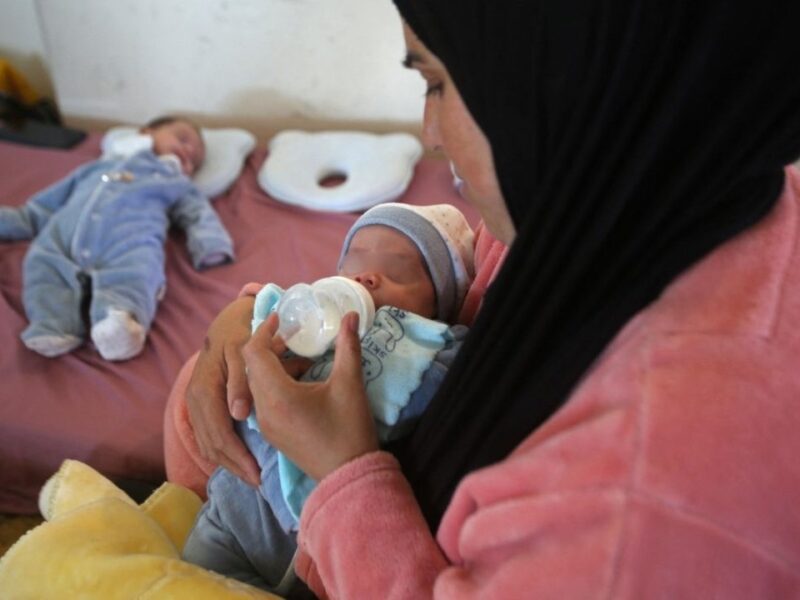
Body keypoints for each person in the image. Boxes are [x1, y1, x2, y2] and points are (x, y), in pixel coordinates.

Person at [180, 1, 800, 597]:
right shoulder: (609, 201)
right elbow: (450, 297)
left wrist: (341, 476)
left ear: (559, 80)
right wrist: (253, 312)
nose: (430, 133)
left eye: (439, 84)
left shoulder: (638, 520)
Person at [181, 202, 474, 597]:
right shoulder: (310, 322)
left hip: (323, 546)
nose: (367, 276)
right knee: (190, 582)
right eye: (354, 261)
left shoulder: (433, 345)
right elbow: (260, 312)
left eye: (398, 270)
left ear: (440, 307)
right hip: (234, 511)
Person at [0, 116, 234, 361]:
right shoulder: (95, 168)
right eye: (183, 139)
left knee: (140, 271)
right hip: (63, 237)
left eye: (195, 159)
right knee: (42, 265)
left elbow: (198, 214)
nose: (188, 150)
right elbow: (40, 209)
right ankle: (53, 323)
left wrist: (211, 243)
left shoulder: (174, 181)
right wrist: (14, 220)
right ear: (147, 131)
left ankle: (121, 322)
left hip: (129, 241)